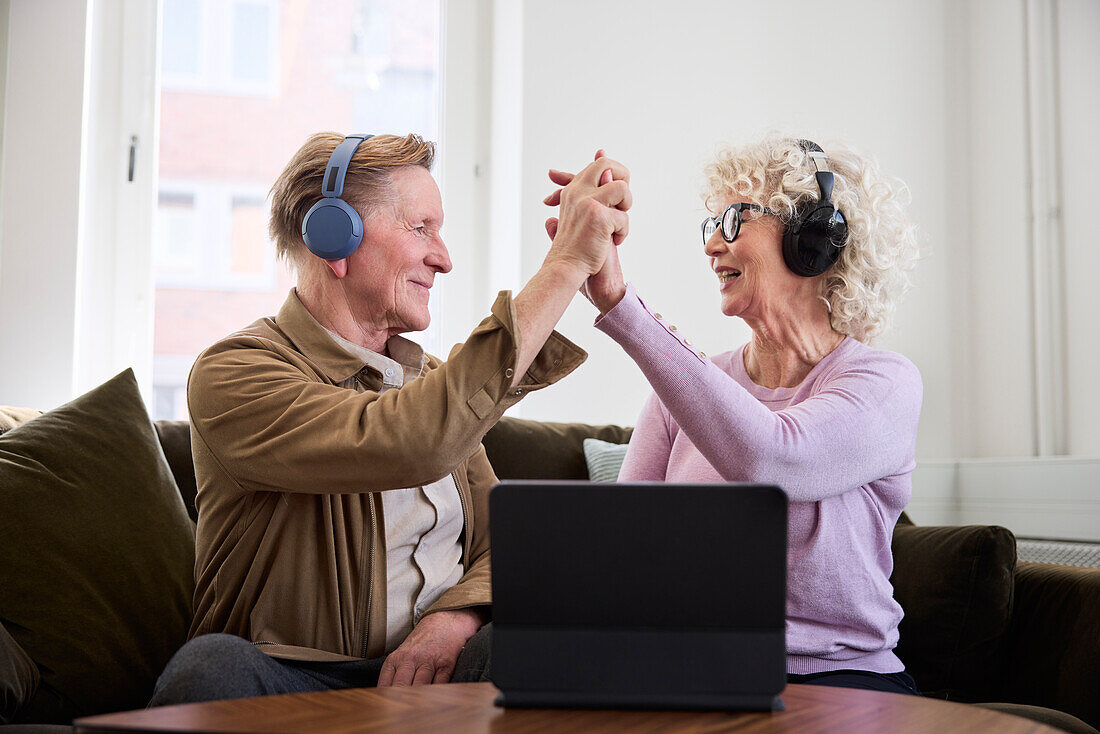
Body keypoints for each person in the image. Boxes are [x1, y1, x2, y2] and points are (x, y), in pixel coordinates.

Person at [149, 133, 631, 704]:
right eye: (421, 227)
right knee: (210, 667)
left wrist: (457, 618)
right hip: (288, 678)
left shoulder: (428, 381)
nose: (444, 258)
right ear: (333, 235)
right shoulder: (234, 373)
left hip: (439, 670)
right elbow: (410, 438)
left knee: (528, 647)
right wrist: (568, 260)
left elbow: (502, 539)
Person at [546, 135, 922, 695]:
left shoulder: (884, 382)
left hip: (841, 681)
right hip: (693, 669)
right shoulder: (688, 390)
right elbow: (619, 548)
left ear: (813, 237)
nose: (711, 245)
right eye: (711, 223)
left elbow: (774, 460)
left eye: (735, 219)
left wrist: (622, 305)